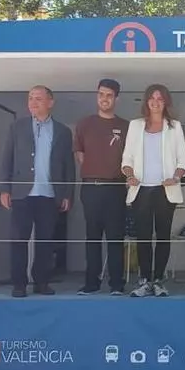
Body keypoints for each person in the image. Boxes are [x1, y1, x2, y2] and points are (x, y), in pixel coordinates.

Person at [0, 85, 76, 298]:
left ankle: (42, 282)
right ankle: (19, 284)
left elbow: (68, 166)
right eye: (30, 98)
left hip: (49, 194)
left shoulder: (63, 131)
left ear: (50, 102)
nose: (33, 102)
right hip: (22, 194)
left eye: (38, 98)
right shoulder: (17, 127)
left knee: (45, 241)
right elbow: (6, 159)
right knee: (18, 240)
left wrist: (67, 193)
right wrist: (4, 188)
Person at [121, 84, 185, 297]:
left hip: (165, 190)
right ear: (146, 101)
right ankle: (144, 281)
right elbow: (126, 159)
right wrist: (129, 175)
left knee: (163, 235)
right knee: (143, 236)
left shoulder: (175, 127)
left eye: (160, 98)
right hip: (140, 189)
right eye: (152, 98)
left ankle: (158, 280)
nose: (156, 102)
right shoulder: (135, 125)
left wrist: (175, 177)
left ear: (166, 102)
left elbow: (183, 161)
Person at [75, 79, 130, 296]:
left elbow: (130, 158)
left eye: (109, 95)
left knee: (116, 237)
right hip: (91, 188)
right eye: (101, 94)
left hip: (116, 188)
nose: (104, 99)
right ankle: (92, 283)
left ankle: (116, 284)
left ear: (117, 99)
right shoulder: (84, 124)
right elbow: (80, 154)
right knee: (92, 236)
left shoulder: (126, 126)